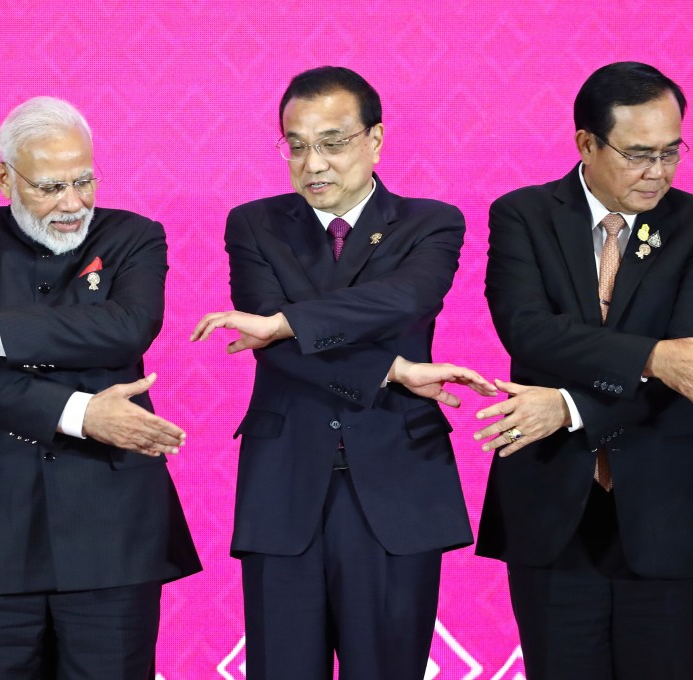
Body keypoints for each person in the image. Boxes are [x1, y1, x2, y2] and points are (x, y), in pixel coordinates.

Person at [190, 66, 495, 680]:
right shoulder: (254, 223)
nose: (313, 164)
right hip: (285, 481)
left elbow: (403, 300)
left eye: (332, 143)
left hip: (396, 480)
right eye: (296, 145)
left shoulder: (430, 222)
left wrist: (285, 322)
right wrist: (392, 369)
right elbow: (271, 347)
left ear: (374, 139)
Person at [0, 96, 200, 679]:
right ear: (3, 177)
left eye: (84, 181)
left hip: (112, 529)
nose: (73, 203)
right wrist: (82, 413)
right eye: (50, 187)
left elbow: (125, 327)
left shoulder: (135, 237)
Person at [475, 62, 693, 680]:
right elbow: (529, 332)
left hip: (669, 509)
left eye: (672, 152)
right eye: (639, 155)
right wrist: (651, 356)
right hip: (552, 508)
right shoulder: (523, 215)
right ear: (586, 144)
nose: (658, 172)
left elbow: (689, 370)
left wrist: (568, 408)